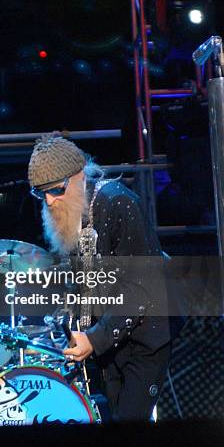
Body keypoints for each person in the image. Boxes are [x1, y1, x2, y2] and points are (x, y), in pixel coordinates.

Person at [27, 134, 172, 421]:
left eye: (56, 190)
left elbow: (141, 287)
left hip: (143, 341)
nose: (49, 201)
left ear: (79, 175)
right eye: (40, 193)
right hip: (107, 342)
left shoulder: (118, 202)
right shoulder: (74, 213)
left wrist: (94, 338)